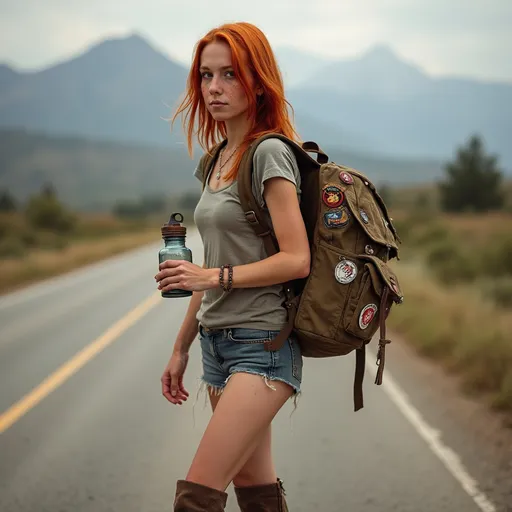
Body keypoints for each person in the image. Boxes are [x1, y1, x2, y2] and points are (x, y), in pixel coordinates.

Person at [155, 21, 310, 512]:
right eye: (206, 75)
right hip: (216, 345)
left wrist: (211, 276)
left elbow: (296, 258)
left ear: (257, 81)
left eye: (230, 75)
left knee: (196, 496)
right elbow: (212, 262)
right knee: (257, 493)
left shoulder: (269, 155)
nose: (215, 88)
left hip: (262, 346)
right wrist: (181, 346)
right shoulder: (217, 158)